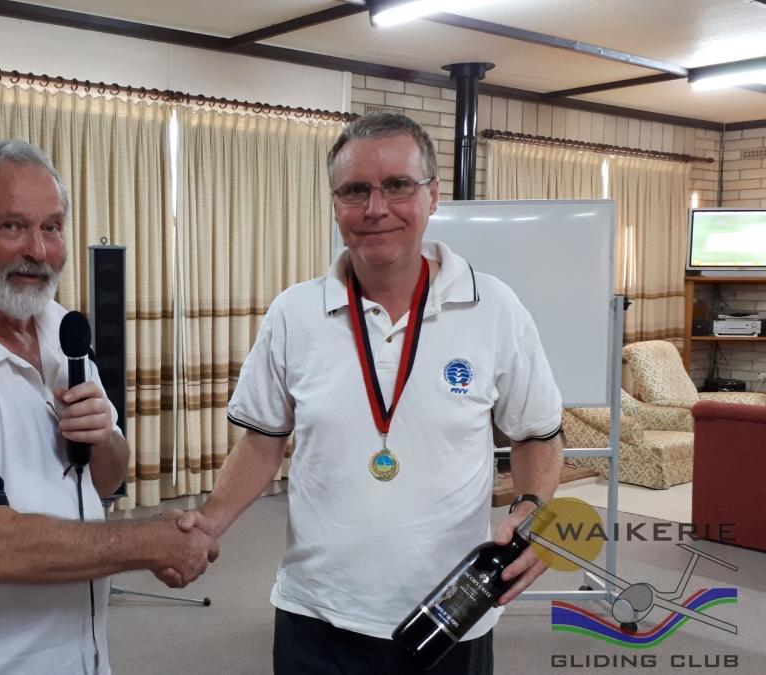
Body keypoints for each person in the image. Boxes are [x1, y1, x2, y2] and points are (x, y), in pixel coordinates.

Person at [174, 112, 565, 674]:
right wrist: (209, 522)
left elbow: (538, 435)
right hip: (317, 615)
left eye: (398, 185)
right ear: (336, 205)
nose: (376, 208)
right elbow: (262, 442)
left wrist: (533, 511)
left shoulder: (495, 308)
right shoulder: (294, 313)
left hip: (452, 614)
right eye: (355, 190)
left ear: (433, 195)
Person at [0, 139, 214, 675]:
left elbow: (104, 481)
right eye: (12, 227)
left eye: (52, 227)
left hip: (79, 654)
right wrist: (151, 542)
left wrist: (104, 438)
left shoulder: (61, 330)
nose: (39, 250)